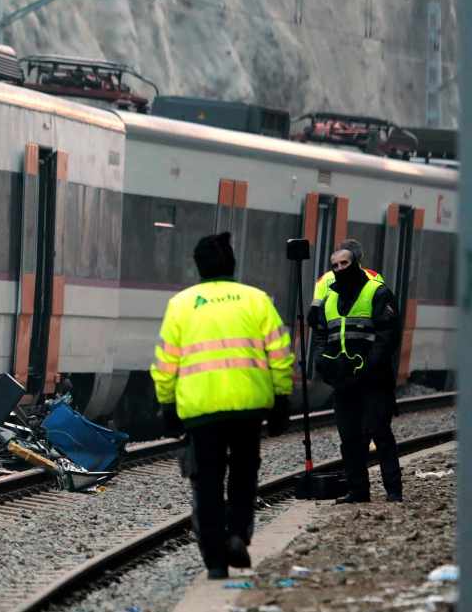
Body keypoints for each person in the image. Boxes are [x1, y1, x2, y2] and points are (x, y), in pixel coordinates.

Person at [152, 232, 294, 579]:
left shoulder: (182, 305)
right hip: (248, 408)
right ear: (232, 264)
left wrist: (167, 405)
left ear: (198, 266)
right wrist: (281, 399)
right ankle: (238, 535)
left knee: (208, 482)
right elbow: (280, 354)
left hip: (201, 411)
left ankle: (215, 560)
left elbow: (165, 363)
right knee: (244, 476)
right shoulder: (257, 300)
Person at [315, 246, 402, 503]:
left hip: (374, 380)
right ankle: (357, 491)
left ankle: (394, 491)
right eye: (336, 265)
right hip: (344, 381)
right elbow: (322, 334)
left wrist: (368, 366)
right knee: (349, 438)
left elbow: (388, 335)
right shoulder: (330, 300)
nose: (340, 269)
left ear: (356, 264)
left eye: (345, 263)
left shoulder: (377, 292)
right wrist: (323, 362)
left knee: (380, 432)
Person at [307, 238, 382, 333]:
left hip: (333, 337)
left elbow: (314, 317)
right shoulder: (374, 276)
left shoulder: (323, 279)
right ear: (360, 257)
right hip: (364, 337)